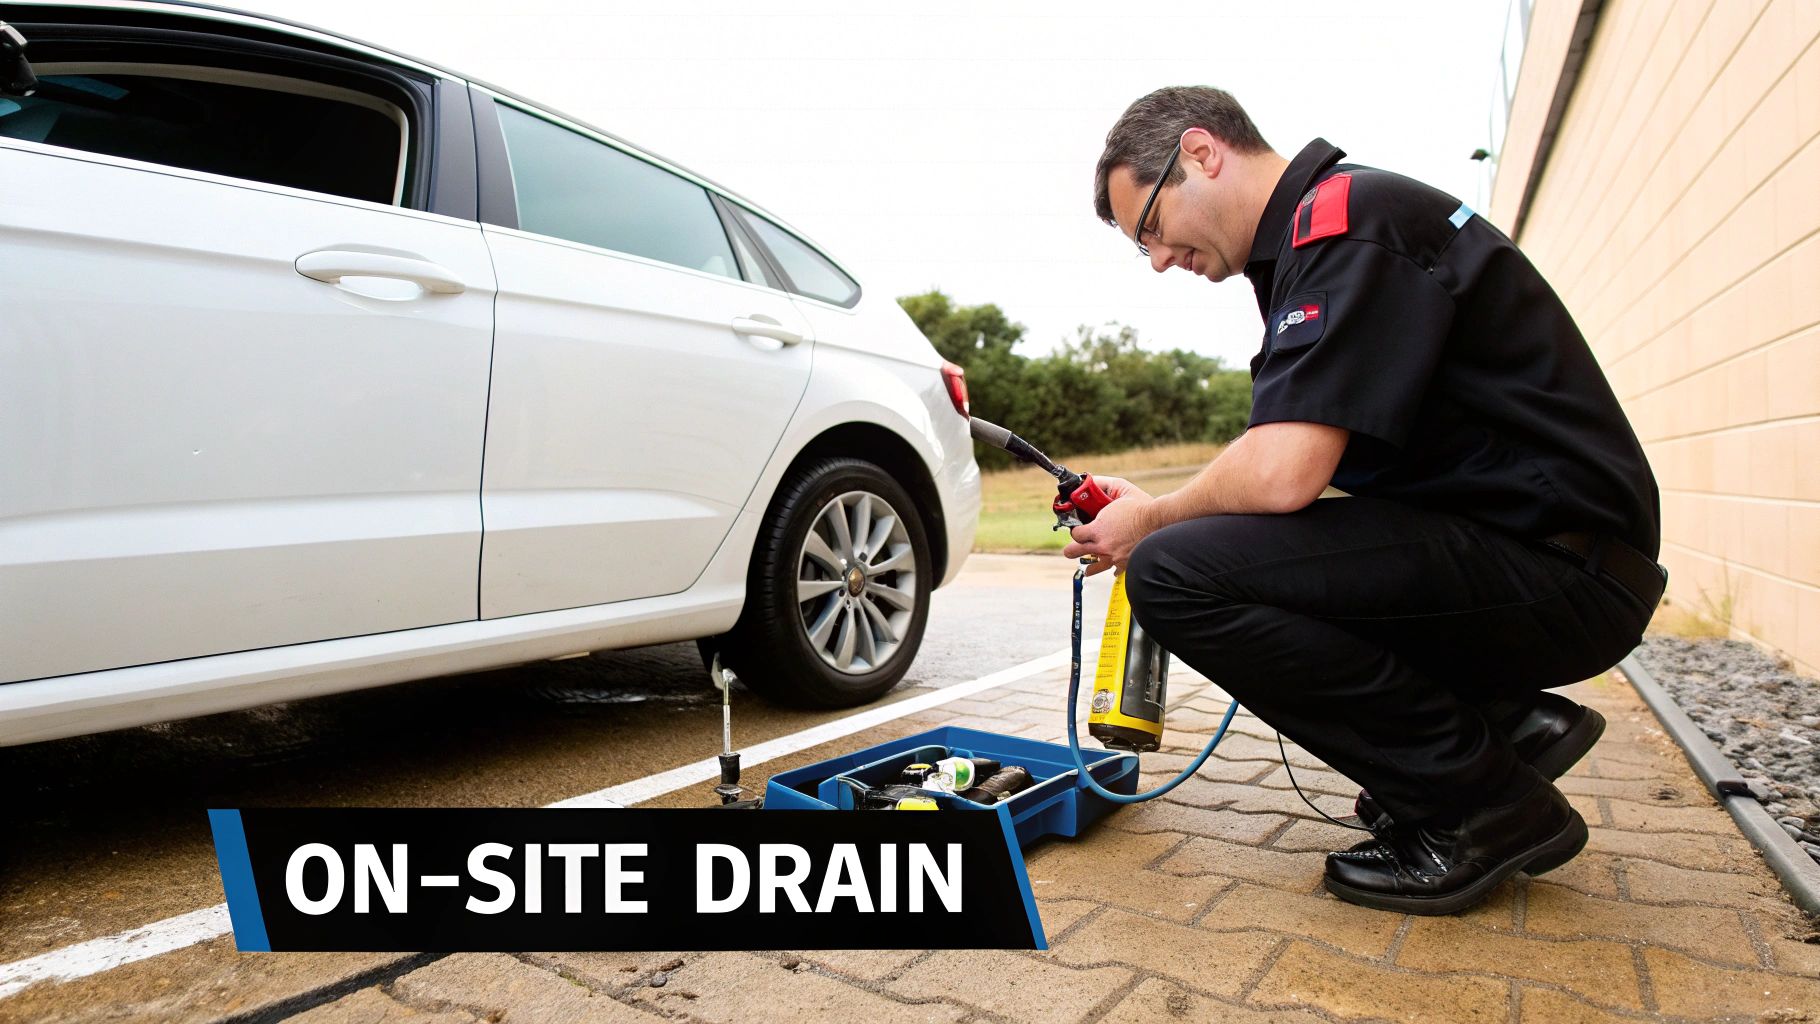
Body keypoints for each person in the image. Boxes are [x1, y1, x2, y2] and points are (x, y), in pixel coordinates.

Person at [1066, 86, 1664, 915]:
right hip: (1543, 551)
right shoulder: (1325, 236)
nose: (1161, 259)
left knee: (1175, 572)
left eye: (1153, 228)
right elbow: (1288, 464)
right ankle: (1502, 729)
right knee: (1220, 553)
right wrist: (1165, 506)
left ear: (1201, 152)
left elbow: (1282, 473)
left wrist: (1155, 520)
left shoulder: (1345, 226)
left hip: (1561, 568)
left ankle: (1484, 807)